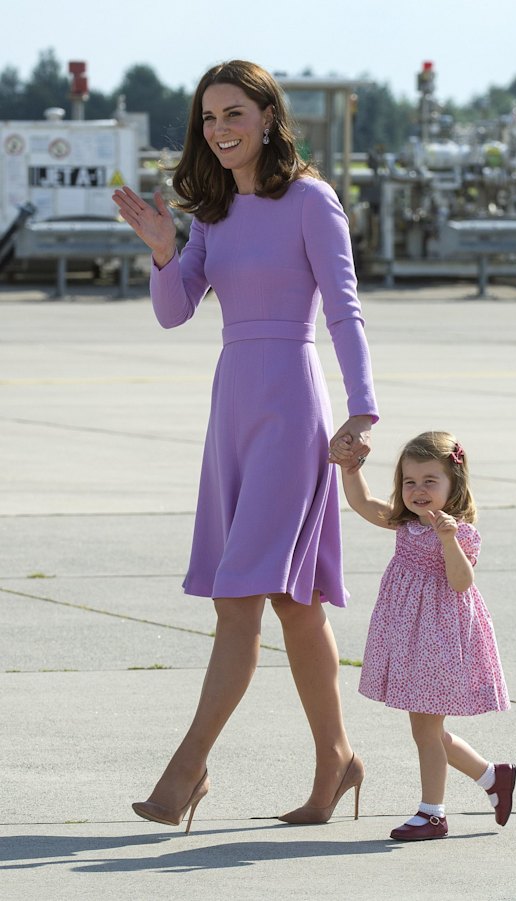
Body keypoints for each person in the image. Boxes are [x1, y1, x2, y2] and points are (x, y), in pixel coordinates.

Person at [112, 59, 378, 832]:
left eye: (233, 113)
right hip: (232, 410)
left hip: (293, 407)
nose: (219, 130)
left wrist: (362, 410)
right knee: (294, 603)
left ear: (267, 115)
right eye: (208, 118)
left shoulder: (311, 199)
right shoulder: (214, 212)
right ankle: (338, 759)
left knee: (239, 599)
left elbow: (345, 310)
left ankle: (185, 770)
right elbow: (174, 312)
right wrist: (165, 249)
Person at [334, 430, 515, 841]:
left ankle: (433, 814)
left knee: (425, 731)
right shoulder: (406, 523)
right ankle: (492, 777)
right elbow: (362, 503)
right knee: (427, 730)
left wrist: (448, 539)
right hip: (409, 636)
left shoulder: (461, 533)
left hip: (439, 638)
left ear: (455, 484)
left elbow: (460, 582)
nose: (417, 490)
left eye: (429, 482)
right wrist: (350, 468)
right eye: (409, 482)